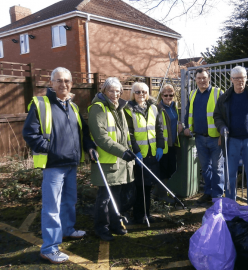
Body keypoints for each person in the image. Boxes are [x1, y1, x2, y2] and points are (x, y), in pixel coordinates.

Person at [22, 67, 96, 264]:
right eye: (59, 80)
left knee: (69, 201)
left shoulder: (72, 106)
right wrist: (50, 149)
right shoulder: (41, 104)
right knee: (51, 207)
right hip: (54, 164)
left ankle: (67, 230)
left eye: (67, 80)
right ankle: (49, 248)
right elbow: (30, 133)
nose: (63, 84)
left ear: (71, 84)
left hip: (71, 163)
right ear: (51, 83)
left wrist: (89, 147)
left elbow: (83, 132)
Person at [88, 77, 135, 241]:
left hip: (119, 162)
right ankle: (102, 228)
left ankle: (115, 224)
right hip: (107, 161)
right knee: (104, 198)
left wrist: (129, 150)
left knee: (117, 197)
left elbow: (124, 135)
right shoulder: (98, 108)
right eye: (111, 90)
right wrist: (122, 152)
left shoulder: (119, 107)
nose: (115, 94)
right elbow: (101, 137)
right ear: (104, 91)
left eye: (118, 91)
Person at [214, 66, 248, 205]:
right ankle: (231, 204)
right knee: (230, 174)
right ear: (231, 79)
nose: (240, 81)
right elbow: (217, 116)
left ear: (246, 78)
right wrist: (222, 127)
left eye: (242, 77)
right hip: (232, 140)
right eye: (236, 78)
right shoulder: (225, 97)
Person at [125, 82, 165, 224]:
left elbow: (159, 129)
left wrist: (161, 146)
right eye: (137, 92)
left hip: (152, 153)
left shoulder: (154, 108)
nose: (141, 94)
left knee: (147, 187)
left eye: (143, 91)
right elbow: (129, 133)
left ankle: (147, 214)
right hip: (138, 155)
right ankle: (138, 216)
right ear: (132, 94)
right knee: (138, 187)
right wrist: (136, 152)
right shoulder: (128, 109)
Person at [184, 68, 224, 204]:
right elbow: (188, 113)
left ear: (209, 79)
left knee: (217, 168)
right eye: (199, 78)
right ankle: (208, 193)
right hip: (199, 137)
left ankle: (217, 196)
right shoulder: (193, 94)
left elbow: (225, 115)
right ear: (195, 80)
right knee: (205, 168)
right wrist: (186, 127)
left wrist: (222, 135)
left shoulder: (218, 93)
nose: (202, 80)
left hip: (215, 138)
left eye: (204, 78)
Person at [154, 84, 183, 202]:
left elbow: (175, 120)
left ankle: (159, 193)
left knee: (171, 169)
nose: (168, 97)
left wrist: (180, 124)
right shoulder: (157, 108)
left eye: (171, 95)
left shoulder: (173, 106)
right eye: (165, 95)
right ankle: (161, 195)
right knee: (163, 171)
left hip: (173, 144)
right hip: (163, 145)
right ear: (161, 95)